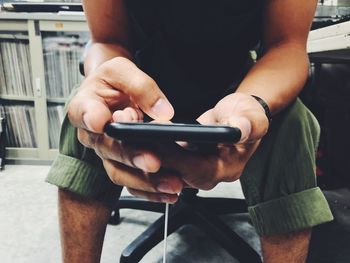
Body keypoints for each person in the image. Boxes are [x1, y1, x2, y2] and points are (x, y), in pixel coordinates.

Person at [46, 0, 334, 262]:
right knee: (88, 115)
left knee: (293, 124)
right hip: (142, 80)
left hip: (242, 81)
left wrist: (253, 102)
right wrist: (105, 82)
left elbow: (286, 45)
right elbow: (107, 39)